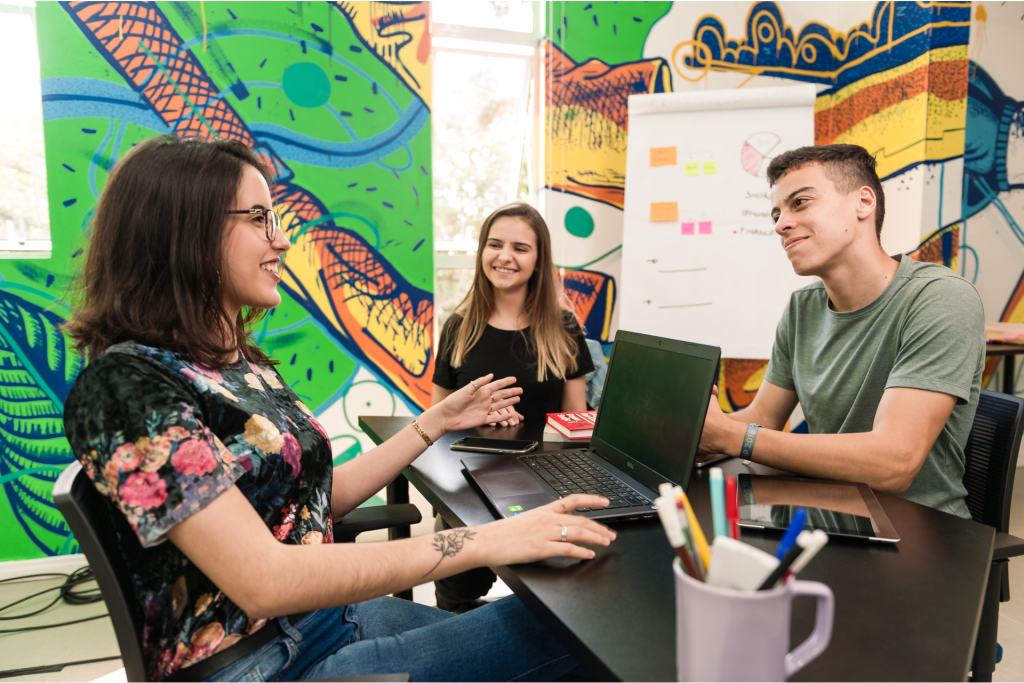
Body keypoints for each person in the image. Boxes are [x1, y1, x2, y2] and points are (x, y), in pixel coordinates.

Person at [61, 135, 615, 683]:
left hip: (318, 624)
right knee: (579, 628)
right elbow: (265, 581)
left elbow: (322, 496)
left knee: (573, 616)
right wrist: (485, 541)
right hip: (264, 664)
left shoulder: (236, 365)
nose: (281, 240)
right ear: (185, 229)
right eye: (259, 218)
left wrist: (437, 421)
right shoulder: (127, 385)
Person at [697, 144, 985, 518]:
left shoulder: (940, 298)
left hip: (913, 528)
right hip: (819, 515)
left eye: (800, 203)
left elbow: (894, 462)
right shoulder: (802, 308)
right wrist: (696, 429)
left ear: (863, 202)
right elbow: (764, 417)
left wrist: (730, 436)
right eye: (777, 214)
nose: (780, 225)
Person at [431, 202, 595, 611]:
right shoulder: (459, 327)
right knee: (455, 595)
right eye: (495, 244)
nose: (504, 256)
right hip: (470, 487)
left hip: (545, 486)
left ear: (538, 261)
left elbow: (576, 424)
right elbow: (436, 421)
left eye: (520, 248)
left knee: (558, 595)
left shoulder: (564, 327)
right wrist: (477, 417)